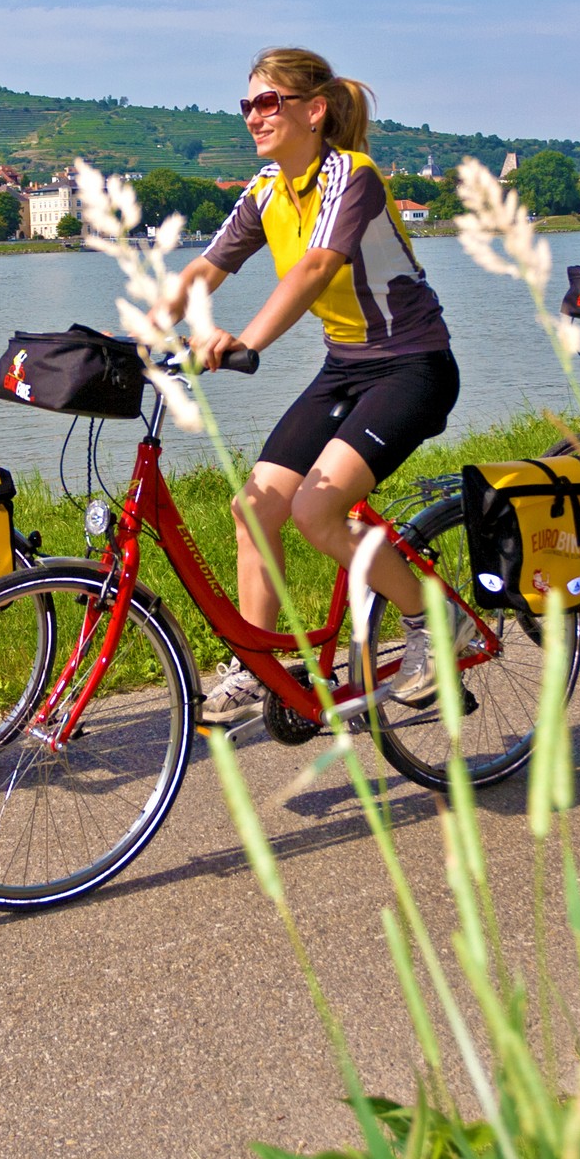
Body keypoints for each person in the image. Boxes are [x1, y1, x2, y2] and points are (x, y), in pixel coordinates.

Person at [165, 48, 459, 724]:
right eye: (247, 105)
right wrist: (133, 331)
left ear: (313, 109)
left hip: (412, 366)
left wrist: (246, 339)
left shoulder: (351, 177)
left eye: (267, 102)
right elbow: (205, 271)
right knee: (255, 507)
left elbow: (317, 267)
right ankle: (256, 667)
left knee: (315, 512)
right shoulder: (266, 190)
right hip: (346, 367)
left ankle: (431, 627)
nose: (253, 117)